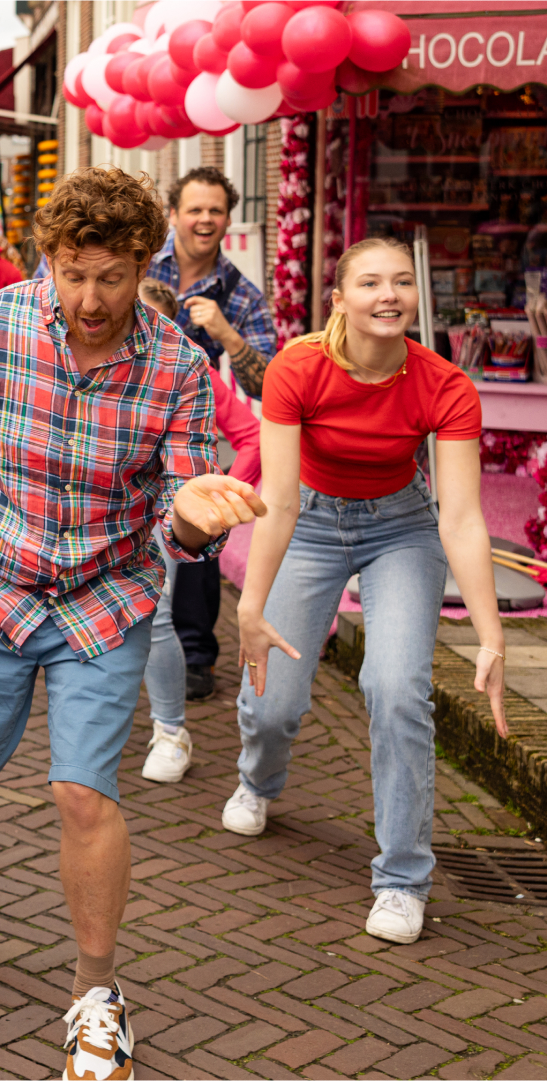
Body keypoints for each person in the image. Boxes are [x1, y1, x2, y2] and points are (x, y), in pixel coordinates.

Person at [0, 167, 262, 1081]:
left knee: (82, 794)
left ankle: (97, 989)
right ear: (47, 261)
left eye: (112, 276)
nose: (90, 298)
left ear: (144, 263)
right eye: (73, 273)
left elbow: (178, 503)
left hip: (105, 594)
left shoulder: (177, 363)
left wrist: (195, 513)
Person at [230, 237, 505, 946]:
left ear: (416, 296)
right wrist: (252, 608)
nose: (389, 295)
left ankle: (403, 878)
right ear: (340, 297)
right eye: (371, 282)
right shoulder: (298, 367)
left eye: (402, 283)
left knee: (397, 687)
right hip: (313, 520)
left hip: (401, 528)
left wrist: (491, 635)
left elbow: (464, 517)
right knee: (273, 701)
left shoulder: (444, 384)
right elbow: (280, 502)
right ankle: (258, 780)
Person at [148, 166, 283, 701]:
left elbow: (272, 384)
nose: (204, 219)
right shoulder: (140, 262)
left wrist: (223, 330)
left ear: (228, 219)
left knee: (200, 532)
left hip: (191, 428)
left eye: (215, 211)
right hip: (123, 420)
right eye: (194, 209)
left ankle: (196, 656)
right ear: (174, 214)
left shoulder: (240, 293)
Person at [135, 278, 262, 784]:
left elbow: (252, 435)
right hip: (96, 509)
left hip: (164, 510)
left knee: (157, 613)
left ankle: (170, 731)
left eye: (152, 319)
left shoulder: (192, 371)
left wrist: (222, 495)